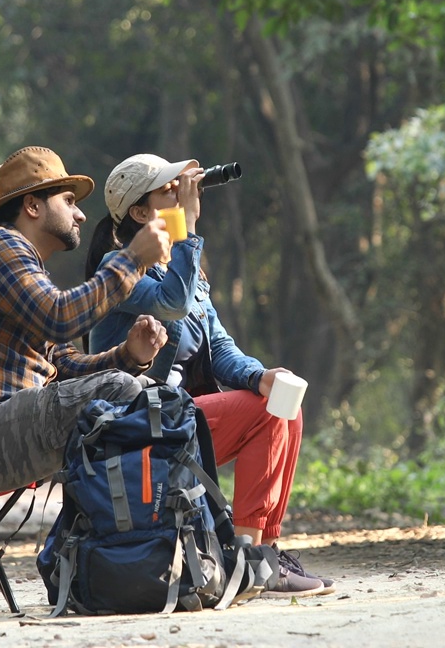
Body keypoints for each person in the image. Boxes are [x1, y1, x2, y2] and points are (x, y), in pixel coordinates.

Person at [84, 153, 334, 598]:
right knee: (263, 414)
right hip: (138, 426)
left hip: (180, 419)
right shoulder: (118, 269)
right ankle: (244, 559)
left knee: (282, 405)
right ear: (140, 213)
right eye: (169, 191)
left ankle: (266, 552)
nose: (182, 196)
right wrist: (189, 227)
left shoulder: (190, 273)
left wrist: (260, 376)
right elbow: (172, 303)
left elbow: (217, 346)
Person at [0, 146, 171, 496]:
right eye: (69, 201)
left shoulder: (27, 267)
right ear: (33, 206)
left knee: (160, 398)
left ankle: (171, 536)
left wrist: (131, 355)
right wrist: (132, 259)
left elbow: (63, 364)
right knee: (123, 392)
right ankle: (123, 540)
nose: (80, 215)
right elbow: (60, 318)